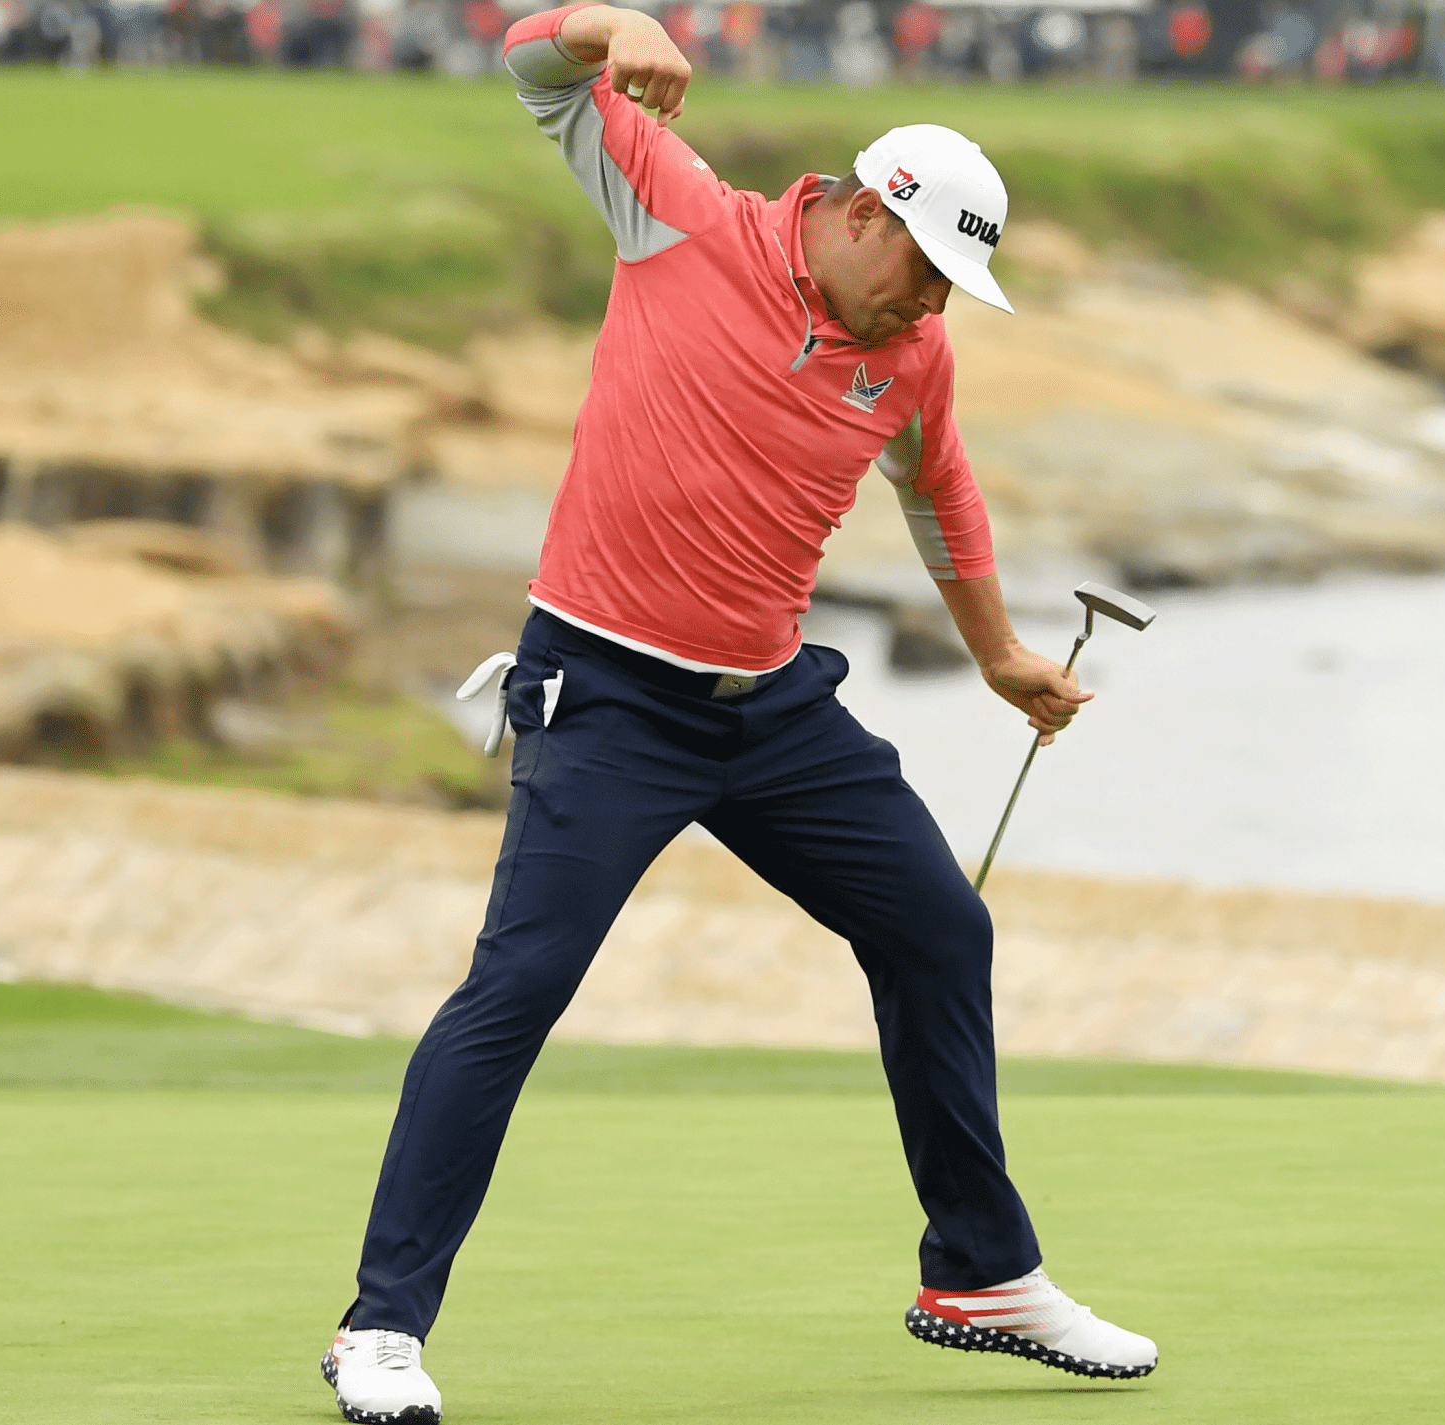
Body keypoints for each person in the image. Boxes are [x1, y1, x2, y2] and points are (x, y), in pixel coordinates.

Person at [317, 5, 1158, 1421]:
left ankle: (979, 1275)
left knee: (939, 929)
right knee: (517, 989)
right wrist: (612, 24)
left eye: (955, 289)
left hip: (771, 708)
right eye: (927, 271)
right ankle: (379, 1330)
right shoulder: (682, 217)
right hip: (606, 694)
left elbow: (940, 490)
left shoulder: (914, 357)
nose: (933, 307)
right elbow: (528, 65)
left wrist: (1001, 653)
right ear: (862, 210)